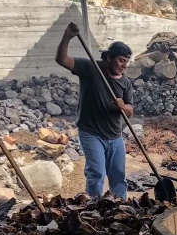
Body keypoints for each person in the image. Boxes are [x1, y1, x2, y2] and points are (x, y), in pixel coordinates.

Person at [55, 23, 134, 198]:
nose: (124, 65)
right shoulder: (91, 68)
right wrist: (67, 36)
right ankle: (95, 208)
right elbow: (62, 60)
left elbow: (130, 110)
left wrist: (123, 106)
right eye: (121, 60)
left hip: (115, 136)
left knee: (119, 177)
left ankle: (122, 209)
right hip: (91, 133)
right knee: (96, 174)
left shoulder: (125, 82)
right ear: (108, 57)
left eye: (127, 61)